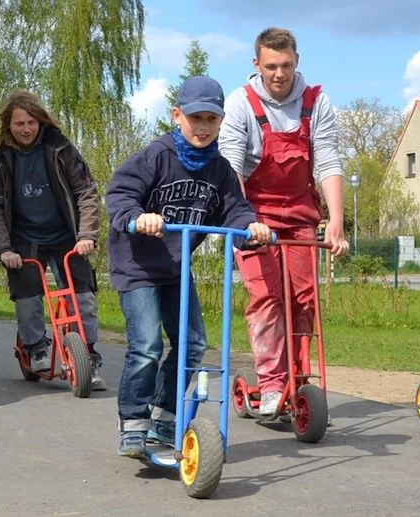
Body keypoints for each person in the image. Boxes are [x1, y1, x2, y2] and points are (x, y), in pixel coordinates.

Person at [106, 76, 273, 457]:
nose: (202, 127)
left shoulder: (220, 170)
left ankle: (164, 418)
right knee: (147, 345)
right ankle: (133, 424)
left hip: (175, 268)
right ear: (177, 115)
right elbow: (120, 193)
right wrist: (137, 216)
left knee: (194, 343)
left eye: (211, 120)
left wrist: (251, 228)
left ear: (220, 122)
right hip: (137, 267)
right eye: (195, 118)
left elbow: (235, 210)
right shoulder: (155, 156)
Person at [218, 27, 349, 415]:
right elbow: (230, 167)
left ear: (297, 60)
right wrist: (242, 221)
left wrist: (337, 219)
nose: (279, 73)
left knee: (304, 298)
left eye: (286, 65)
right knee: (267, 298)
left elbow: (327, 158)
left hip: (301, 215)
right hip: (254, 216)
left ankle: (300, 377)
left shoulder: (316, 101)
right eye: (271, 66)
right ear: (256, 64)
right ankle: (273, 383)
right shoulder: (240, 103)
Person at [0, 89, 105, 390]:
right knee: (27, 298)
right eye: (19, 124)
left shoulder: (59, 148)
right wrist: (3, 249)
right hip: (23, 239)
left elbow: (86, 192)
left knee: (83, 296)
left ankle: (87, 354)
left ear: (41, 121)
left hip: (66, 235)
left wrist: (87, 234)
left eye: (31, 123)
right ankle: (36, 345)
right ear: (8, 125)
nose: (26, 129)